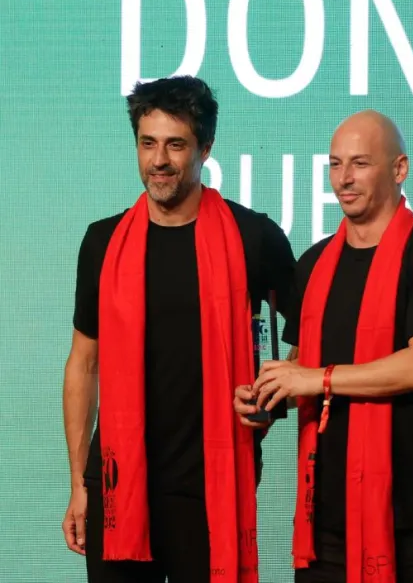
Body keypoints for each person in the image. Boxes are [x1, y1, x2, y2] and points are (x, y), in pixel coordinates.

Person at [61, 75, 301, 583]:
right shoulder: (102, 242)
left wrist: (277, 398)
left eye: (176, 144)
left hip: (210, 482)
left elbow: (308, 334)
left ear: (206, 148)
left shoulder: (253, 236)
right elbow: (83, 361)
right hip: (118, 481)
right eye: (147, 144)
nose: (159, 160)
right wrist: (79, 483)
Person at [235, 110, 413, 583]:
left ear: (399, 169)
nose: (344, 178)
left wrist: (316, 378)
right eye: (335, 164)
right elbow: (300, 365)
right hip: (326, 527)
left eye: (361, 163)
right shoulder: (315, 262)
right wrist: (266, 397)